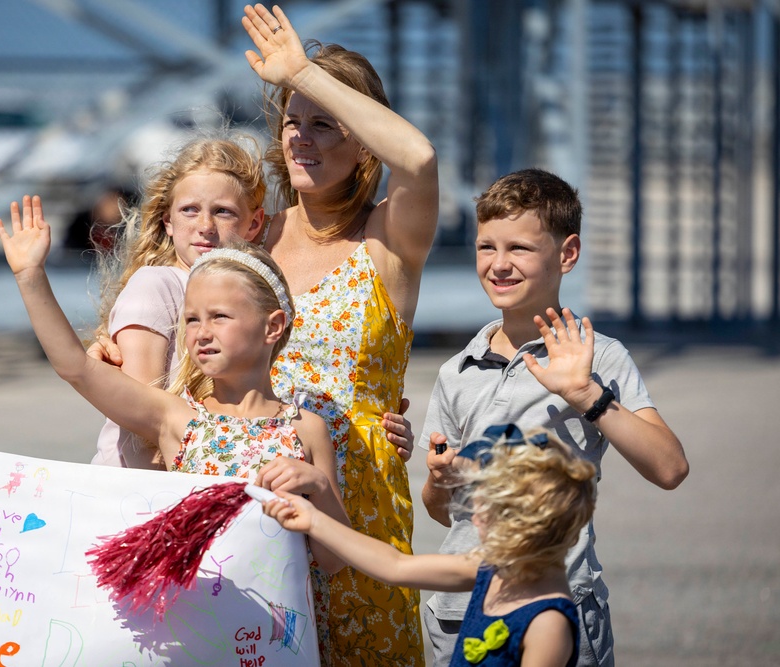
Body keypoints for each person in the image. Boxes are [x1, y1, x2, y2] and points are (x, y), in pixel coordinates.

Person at [419, 168, 689, 666]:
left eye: (519, 248)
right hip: (463, 610)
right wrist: (440, 480)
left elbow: (670, 468)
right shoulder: (457, 370)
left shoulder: (599, 357)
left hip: (558, 606)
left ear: (567, 254)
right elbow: (444, 511)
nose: (499, 264)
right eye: (486, 247)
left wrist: (587, 394)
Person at [0, 199, 351, 575]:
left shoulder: (307, 429)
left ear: (272, 326)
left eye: (220, 316)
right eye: (192, 319)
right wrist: (30, 275)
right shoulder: (177, 418)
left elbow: (332, 563)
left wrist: (320, 491)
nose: (202, 332)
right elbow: (76, 367)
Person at [242, 5, 439, 663]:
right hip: (259, 504)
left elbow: (419, 158)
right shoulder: (254, 236)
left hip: (362, 516)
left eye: (324, 123)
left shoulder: (386, 239)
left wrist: (302, 73)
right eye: (291, 122)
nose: (301, 137)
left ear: (364, 145)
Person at [262, 424, 597, 667]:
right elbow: (395, 566)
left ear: (525, 524)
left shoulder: (548, 623)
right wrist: (313, 521)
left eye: (485, 510)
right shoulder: (496, 570)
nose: (474, 517)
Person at [86, 137, 267, 469]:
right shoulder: (155, 285)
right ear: (168, 221)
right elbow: (141, 422)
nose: (205, 227)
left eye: (223, 212)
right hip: (150, 485)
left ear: (253, 224)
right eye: (190, 210)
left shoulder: (253, 293)